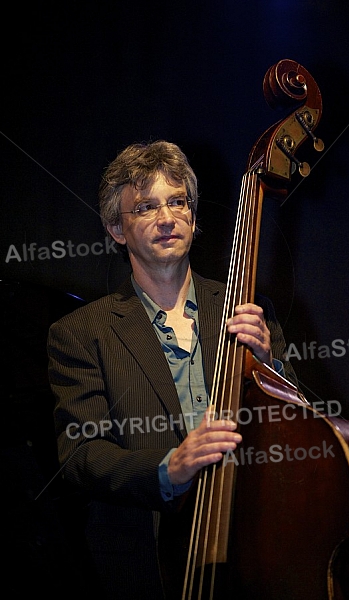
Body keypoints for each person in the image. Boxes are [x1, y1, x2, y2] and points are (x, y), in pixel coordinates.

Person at [47, 140, 298, 599]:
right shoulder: (81, 333)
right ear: (115, 230)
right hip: (147, 559)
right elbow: (81, 456)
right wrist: (171, 467)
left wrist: (269, 363)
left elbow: (303, 421)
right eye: (145, 207)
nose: (167, 218)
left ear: (194, 216)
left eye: (178, 201)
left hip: (256, 539)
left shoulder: (248, 308)